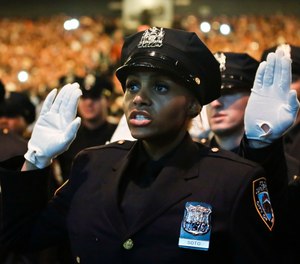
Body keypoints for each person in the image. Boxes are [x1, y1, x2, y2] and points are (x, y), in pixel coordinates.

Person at [0, 27, 298, 263]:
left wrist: (264, 144)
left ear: (194, 106)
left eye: (160, 87)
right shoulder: (92, 164)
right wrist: (34, 161)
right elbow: (24, 236)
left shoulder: (231, 179)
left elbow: (269, 252)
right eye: (132, 86)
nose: (139, 97)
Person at [56, 73, 118, 182]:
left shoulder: (119, 133)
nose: (89, 103)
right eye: (84, 97)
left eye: (95, 97)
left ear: (108, 101)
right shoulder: (67, 136)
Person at [203, 52, 259, 152]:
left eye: (227, 93)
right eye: (209, 95)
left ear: (253, 97)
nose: (215, 103)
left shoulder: (282, 164)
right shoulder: (189, 163)